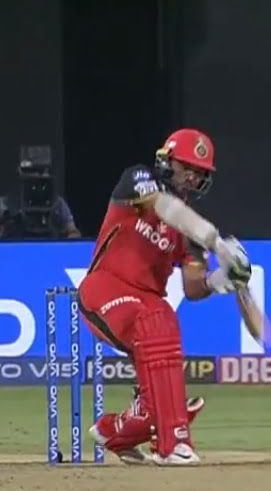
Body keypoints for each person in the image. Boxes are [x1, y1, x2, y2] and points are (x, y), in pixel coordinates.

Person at [81, 128, 252, 466]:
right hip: (105, 289)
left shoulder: (190, 235)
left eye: (199, 173)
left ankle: (113, 431)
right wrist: (216, 242)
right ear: (167, 160)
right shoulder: (138, 179)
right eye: (186, 166)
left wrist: (223, 279)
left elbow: (193, 287)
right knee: (158, 317)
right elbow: (162, 206)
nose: (192, 176)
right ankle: (172, 442)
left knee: (159, 326)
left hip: (145, 305)